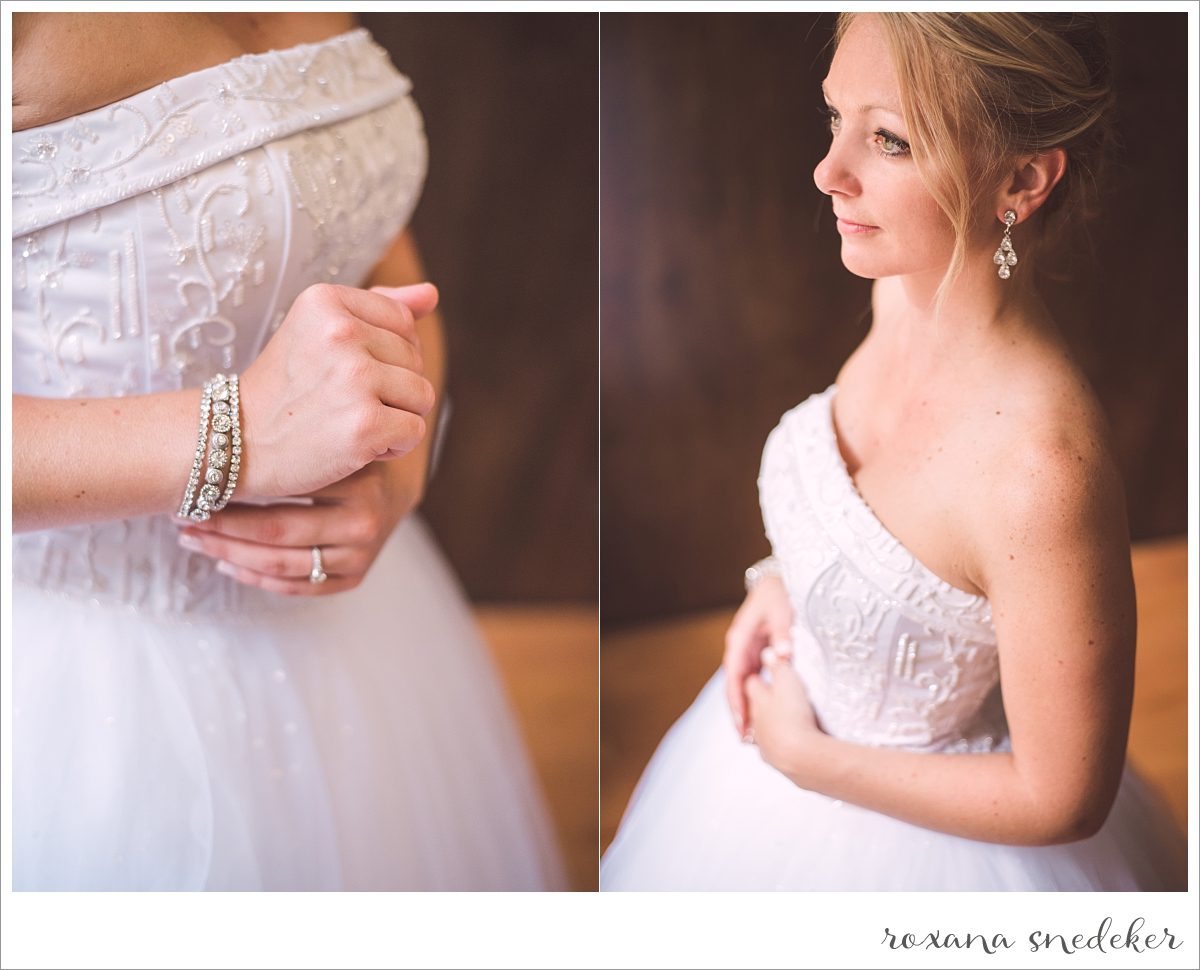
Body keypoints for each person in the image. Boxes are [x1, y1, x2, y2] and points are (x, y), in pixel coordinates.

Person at [601, 12, 1186, 890]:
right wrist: (782, 584)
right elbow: (877, 529)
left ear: (1022, 179)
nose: (829, 172)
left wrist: (808, 761)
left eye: (890, 140)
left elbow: (1062, 797)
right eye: (834, 118)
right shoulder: (906, 292)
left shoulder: (1041, 472)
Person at [11, 11, 566, 890]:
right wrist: (234, 437)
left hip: (349, 625)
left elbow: (364, 229)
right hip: (77, 684)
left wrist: (396, 463)